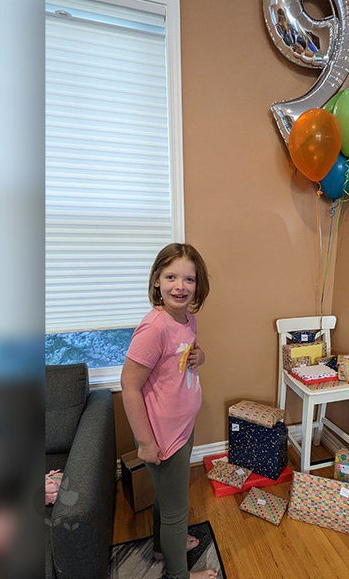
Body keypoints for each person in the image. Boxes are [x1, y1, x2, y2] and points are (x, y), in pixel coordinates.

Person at [121, 243, 217, 579]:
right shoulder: (154, 328)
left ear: (198, 285)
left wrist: (200, 357)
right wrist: (146, 443)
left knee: (168, 496)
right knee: (177, 511)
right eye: (171, 276)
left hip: (183, 427)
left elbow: (189, 353)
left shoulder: (187, 319)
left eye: (189, 279)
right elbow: (130, 386)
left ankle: (163, 547)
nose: (180, 285)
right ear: (157, 282)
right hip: (161, 436)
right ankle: (178, 574)